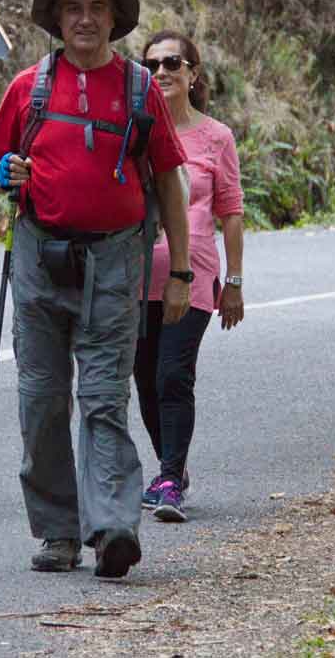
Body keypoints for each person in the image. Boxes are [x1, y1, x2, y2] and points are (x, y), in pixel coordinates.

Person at [0, 0, 191, 578]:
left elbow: (169, 183)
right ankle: (57, 532)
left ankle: (113, 528)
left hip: (117, 260)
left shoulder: (138, 89)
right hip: (39, 258)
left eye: (97, 8)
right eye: (74, 7)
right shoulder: (30, 87)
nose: (86, 19)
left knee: (103, 399)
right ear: (57, 18)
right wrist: (3, 174)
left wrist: (180, 272)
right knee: (42, 400)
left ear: (114, 19)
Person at [132, 32, 245, 524]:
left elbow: (231, 211)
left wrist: (235, 282)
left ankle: (171, 479)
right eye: (152, 64)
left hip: (193, 274)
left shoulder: (215, 137)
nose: (162, 72)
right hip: (136, 276)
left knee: (173, 375)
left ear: (193, 73)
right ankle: (168, 467)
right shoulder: (135, 132)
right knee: (143, 379)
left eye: (172, 62)